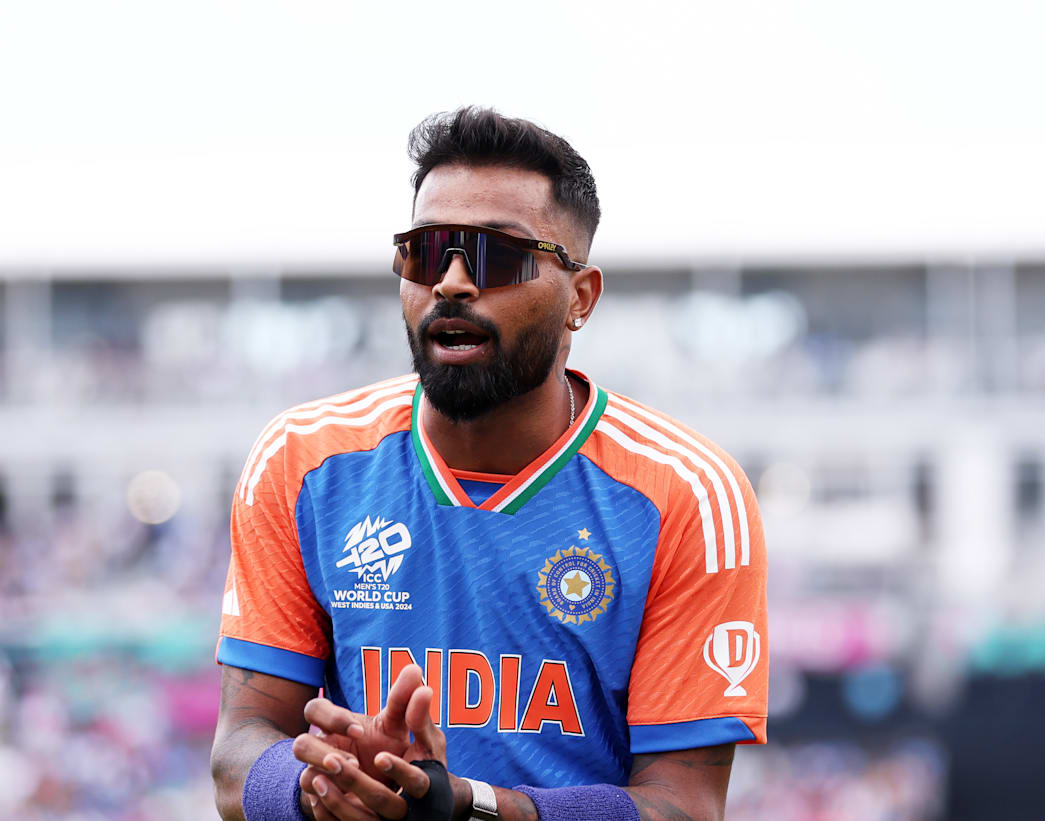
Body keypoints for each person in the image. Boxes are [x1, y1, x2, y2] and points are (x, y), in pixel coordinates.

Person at [211, 107, 768, 821]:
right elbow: (237, 752)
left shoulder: (687, 494)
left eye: (496, 257)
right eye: (425, 252)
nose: (451, 282)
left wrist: (468, 806)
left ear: (581, 298)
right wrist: (319, 787)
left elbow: (685, 807)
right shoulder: (303, 461)